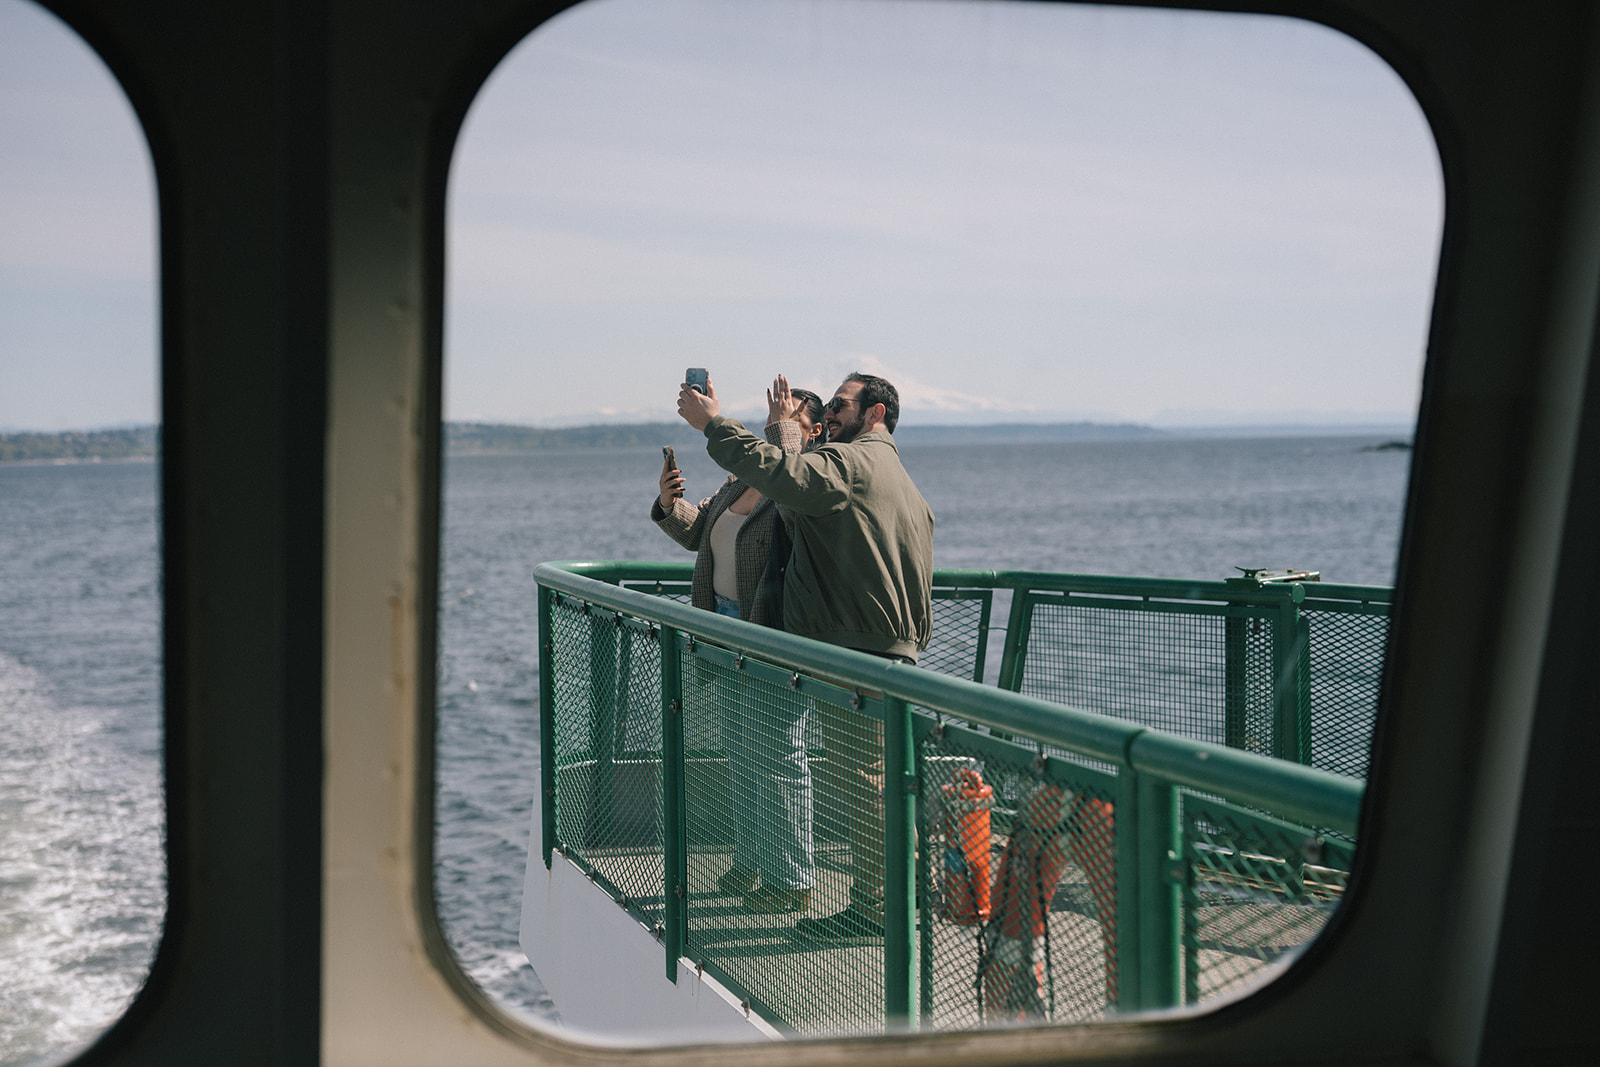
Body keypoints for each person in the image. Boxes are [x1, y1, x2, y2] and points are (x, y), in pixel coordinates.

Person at [676, 371, 935, 940]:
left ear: (875, 414)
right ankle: (890, 902)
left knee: (865, 786)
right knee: (871, 782)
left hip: (859, 652)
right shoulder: (887, 472)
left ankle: (879, 911)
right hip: (872, 647)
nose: (832, 415)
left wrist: (715, 424)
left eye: (841, 406)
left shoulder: (851, 464)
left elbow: (786, 480)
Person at [651, 380, 829, 914]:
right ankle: (753, 862)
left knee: (782, 758)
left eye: (787, 414)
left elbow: (793, 497)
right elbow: (699, 531)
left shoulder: (806, 484)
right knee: (745, 758)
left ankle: (793, 876)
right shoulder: (741, 478)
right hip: (724, 628)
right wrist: (670, 503)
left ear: (813, 431)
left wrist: (782, 437)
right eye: (772, 411)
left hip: (772, 633)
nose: (774, 419)